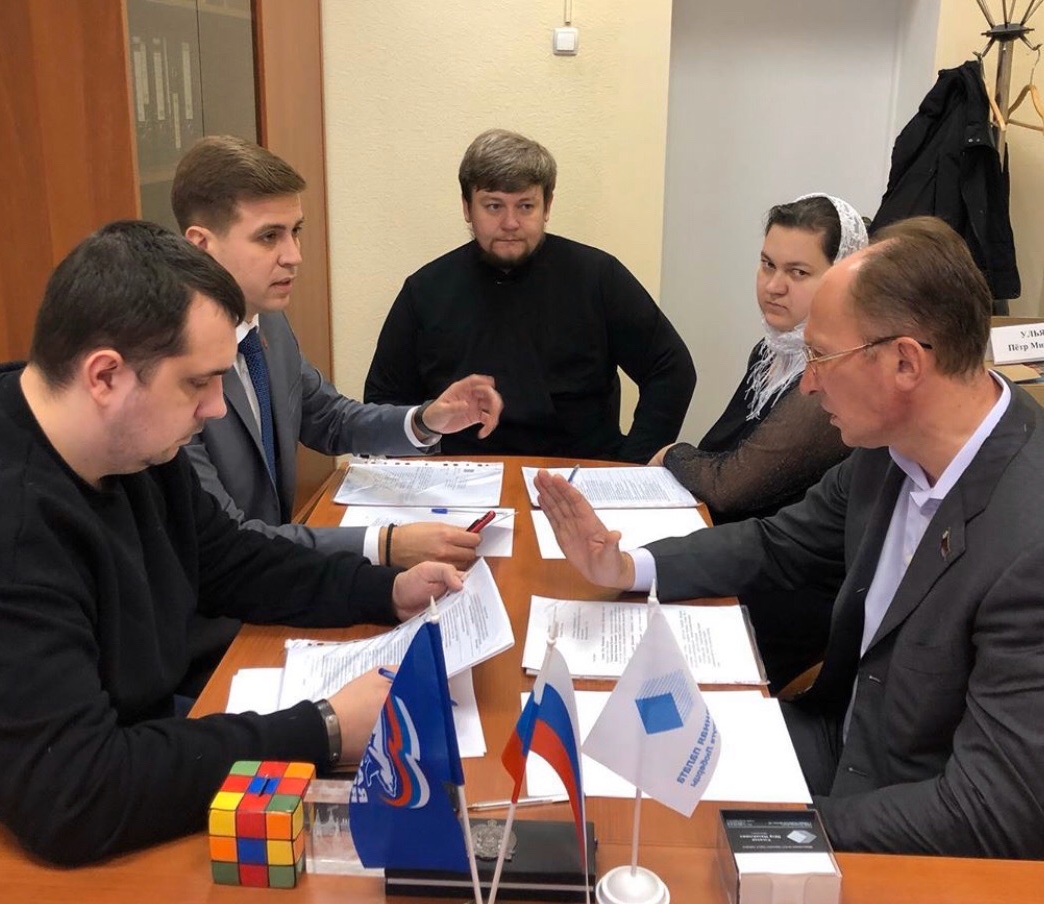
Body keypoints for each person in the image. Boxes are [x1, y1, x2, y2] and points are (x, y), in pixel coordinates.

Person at [0, 221, 463, 865]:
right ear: (104, 376)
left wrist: (384, 590)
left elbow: (230, 562)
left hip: (130, 753)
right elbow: (75, 795)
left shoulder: (125, 442)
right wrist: (323, 728)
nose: (215, 409)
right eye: (197, 383)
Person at [534, 216, 1044, 858]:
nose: (807, 382)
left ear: (905, 362)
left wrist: (765, 830)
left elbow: (991, 813)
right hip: (830, 742)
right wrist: (626, 567)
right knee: (600, 777)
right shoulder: (890, 448)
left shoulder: (1028, 541)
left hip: (904, 825)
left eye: (821, 357)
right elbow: (776, 544)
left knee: (654, 844)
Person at [172, 136, 503, 570]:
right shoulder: (171, 363)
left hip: (272, 571)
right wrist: (384, 545)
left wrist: (426, 420)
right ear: (202, 245)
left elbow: (329, 418)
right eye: (269, 237)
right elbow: (227, 539)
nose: (294, 256)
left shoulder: (266, 321)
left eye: (295, 231)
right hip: (220, 592)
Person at [363, 128, 696, 463]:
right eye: (493, 206)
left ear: (546, 206)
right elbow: (382, 400)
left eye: (525, 206)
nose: (510, 222)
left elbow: (671, 368)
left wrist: (632, 465)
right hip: (462, 473)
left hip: (581, 473)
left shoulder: (597, 277)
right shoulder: (425, 289)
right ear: (467, 208)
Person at [649, 194, 865, 690]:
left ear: (841, 278)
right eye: (767, 264)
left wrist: (672, 454)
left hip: (784, 585)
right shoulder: (771, 352)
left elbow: (730, 486)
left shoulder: (827, 378)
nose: (773, 286)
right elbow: (720, 454)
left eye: (798, 272)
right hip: (735, 551)